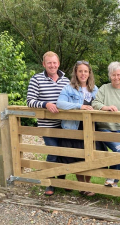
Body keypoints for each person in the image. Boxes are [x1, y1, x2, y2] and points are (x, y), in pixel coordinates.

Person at [56, 60, 105, 197]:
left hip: (90, 127)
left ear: (89, 73)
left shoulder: (95, 89)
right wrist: (79, 106)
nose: (83, 74)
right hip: (74, 127)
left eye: (86, 71)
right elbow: (60, 103)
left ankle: (86, 185)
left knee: (89, 156)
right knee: (77, 156)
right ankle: (83, 186)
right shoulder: (68, 88)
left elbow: (100, 104)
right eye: (80, 71)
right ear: (76, 73)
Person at [27, 51, 70, 196]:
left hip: (65, 125)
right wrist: (46, 104)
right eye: (49, 63)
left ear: (58, 64)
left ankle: (61, 181)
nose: (52, 65)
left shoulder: (66, 80)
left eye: (55, 63)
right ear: (44, 64)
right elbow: (30, 101)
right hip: (47, 125)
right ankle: (49, 183)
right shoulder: (36, 79)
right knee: (53, 152)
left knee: (64, 154)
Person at [92, 62, 120, 188]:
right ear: (110, 76)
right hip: (105, 127)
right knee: (118, 150)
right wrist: (106, 107)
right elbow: (95, 103)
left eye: (118, 75)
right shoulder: (104, 88)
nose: (116, 78)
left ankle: (113, 183)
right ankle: (110, 177)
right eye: (113, 75)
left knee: (119, 156)